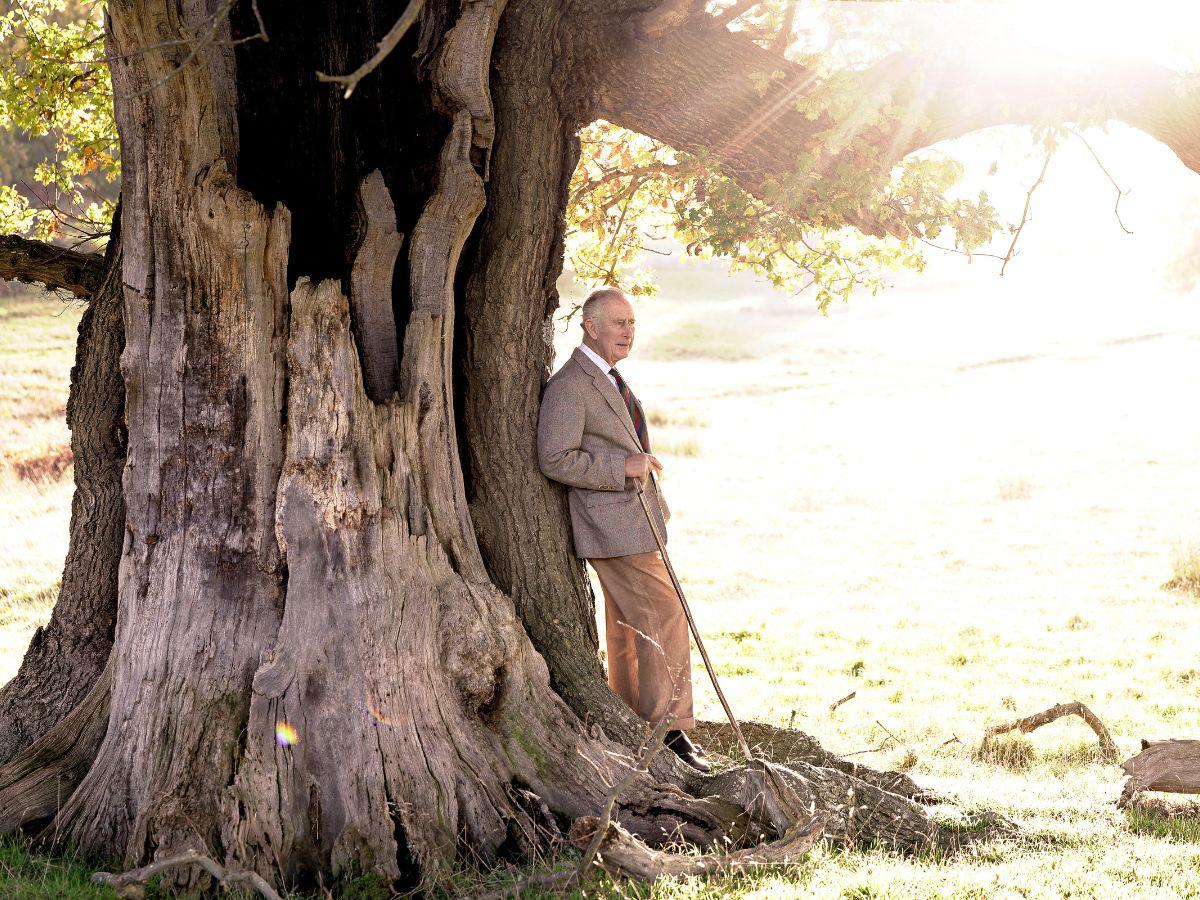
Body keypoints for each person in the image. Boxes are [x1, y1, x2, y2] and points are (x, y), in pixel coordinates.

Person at [536, 286, 709, 772]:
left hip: (636, 523)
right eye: (618, 323)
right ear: (590, 325)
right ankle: (670, 732)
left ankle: (635, 720)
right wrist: (623, 466)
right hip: (612, 527)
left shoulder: (609, 378)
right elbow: (553, 458)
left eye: (631, 323)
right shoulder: (572, 384)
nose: (628, 332)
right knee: (666, 615)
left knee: (630, 627)